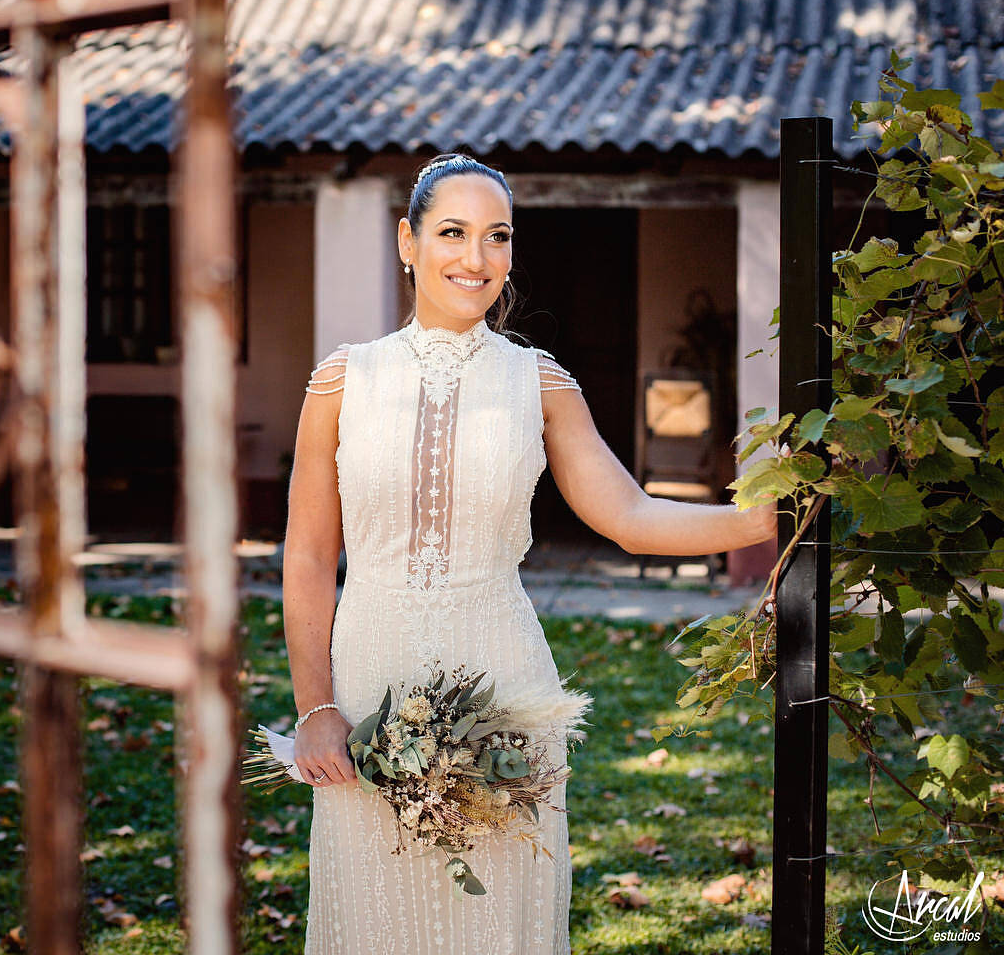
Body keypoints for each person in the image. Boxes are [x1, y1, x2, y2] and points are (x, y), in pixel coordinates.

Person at [281, 152, 778, 954]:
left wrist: (767, 520)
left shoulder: (537, 382)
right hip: (366, 683)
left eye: (498, 236)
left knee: (495, 923)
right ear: (407, 241)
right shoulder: (343, 381)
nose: (475, 257)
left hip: (504, 688)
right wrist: (316, 709)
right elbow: (308, 556)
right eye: (452, 232)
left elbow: (631, 516)